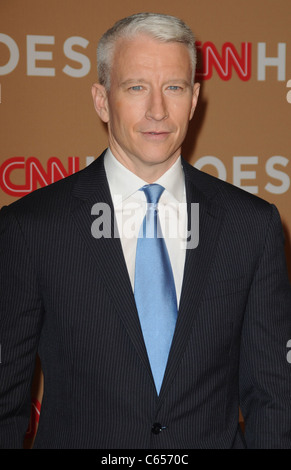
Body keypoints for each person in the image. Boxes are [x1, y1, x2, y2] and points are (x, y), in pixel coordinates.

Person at [0, 12, 291, 450]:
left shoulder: (252, 226)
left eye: (173, 88)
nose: (158, 110)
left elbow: (274, 399)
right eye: (136, 87)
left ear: (194, 100)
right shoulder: (30, 229)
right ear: (101, 100)